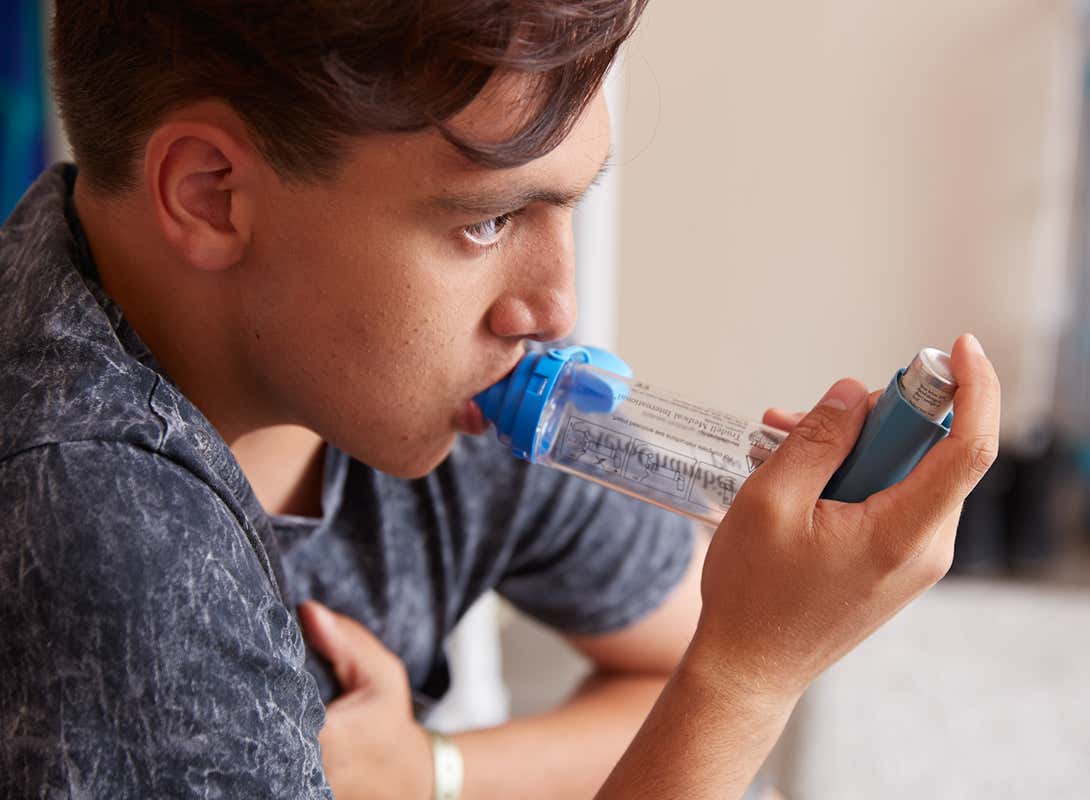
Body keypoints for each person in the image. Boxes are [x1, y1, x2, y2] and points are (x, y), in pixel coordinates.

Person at [0, 2, 1000, 799]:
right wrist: (745, 678)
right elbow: (712, 666)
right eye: (488, 220)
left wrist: (434, 772)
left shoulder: (425, 384)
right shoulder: (90, 524)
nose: (553, 309)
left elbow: (671, 651)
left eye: (566, 202)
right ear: (212, 194)